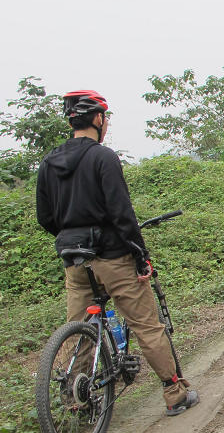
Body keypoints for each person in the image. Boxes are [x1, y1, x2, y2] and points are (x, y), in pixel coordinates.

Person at [36, 90, 199, 416]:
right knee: (146, 325)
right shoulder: (103, 157)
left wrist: (72, 237)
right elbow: (122, 214)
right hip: (112, 257)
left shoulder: (49, 162)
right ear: (98, 119)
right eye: (105, 118)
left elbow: (45, 217)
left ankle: (76, 404)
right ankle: (175, 393)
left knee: (79, 331)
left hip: (74, 261)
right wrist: (140, 257)